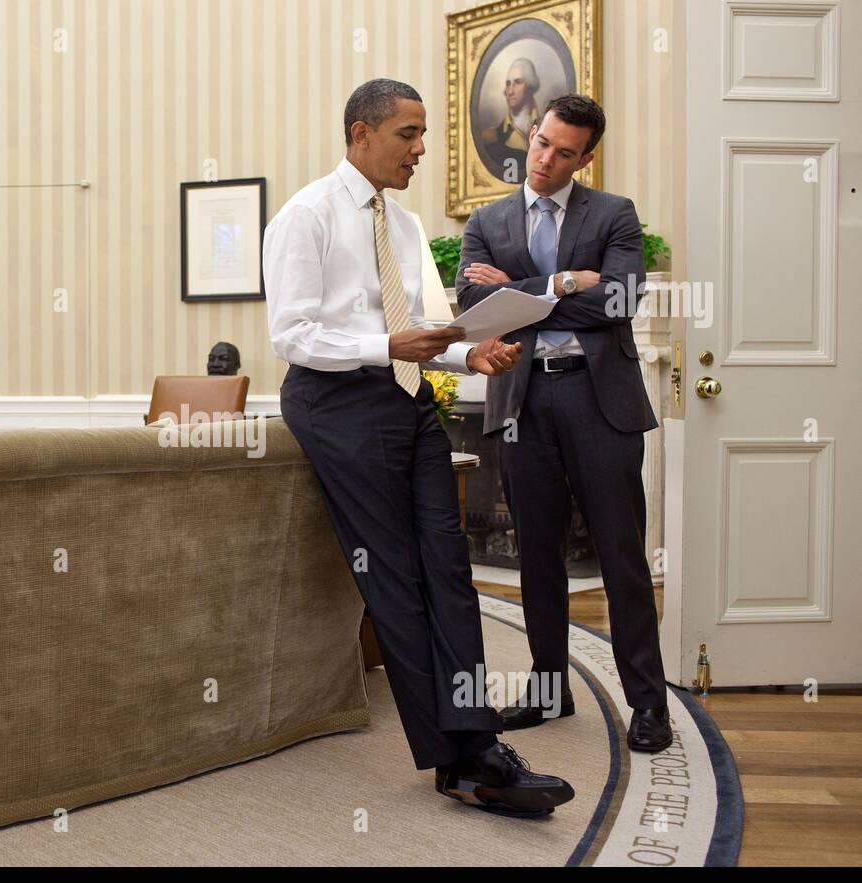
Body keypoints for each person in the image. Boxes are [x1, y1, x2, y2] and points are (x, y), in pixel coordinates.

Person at [264, 77, 575, 817]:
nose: (421, 148)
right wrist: (384, 343)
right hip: (335, 404)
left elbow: (430, 328)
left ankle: (476, 745)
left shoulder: (401, 225)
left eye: (423, 133)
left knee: (449, 567)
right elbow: (293, 334)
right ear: (360, 133)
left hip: (406, 395)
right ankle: (461, 757)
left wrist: (471, 356)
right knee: (396, 577)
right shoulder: (305, 216)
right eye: (408, 133)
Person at [456, 93, 671, 753]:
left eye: (564, 151)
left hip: (599, 402)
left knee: (622, 557)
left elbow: (621, 300)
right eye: (542, 142)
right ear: (533, 132)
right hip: (523, 405)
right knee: (537, 559)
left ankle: (648, 704)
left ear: (587, 157)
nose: (545, 159)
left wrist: (520, 289)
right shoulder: (486, 220)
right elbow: (474, 307)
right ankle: (551, 692)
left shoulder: (614, 214)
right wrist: (567, 283)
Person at [480, 58, 541, 181]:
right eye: (508, 84)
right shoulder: (491, 138)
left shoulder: (548, 131)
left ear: (530, 86)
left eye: (517, 82)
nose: (510, 91)